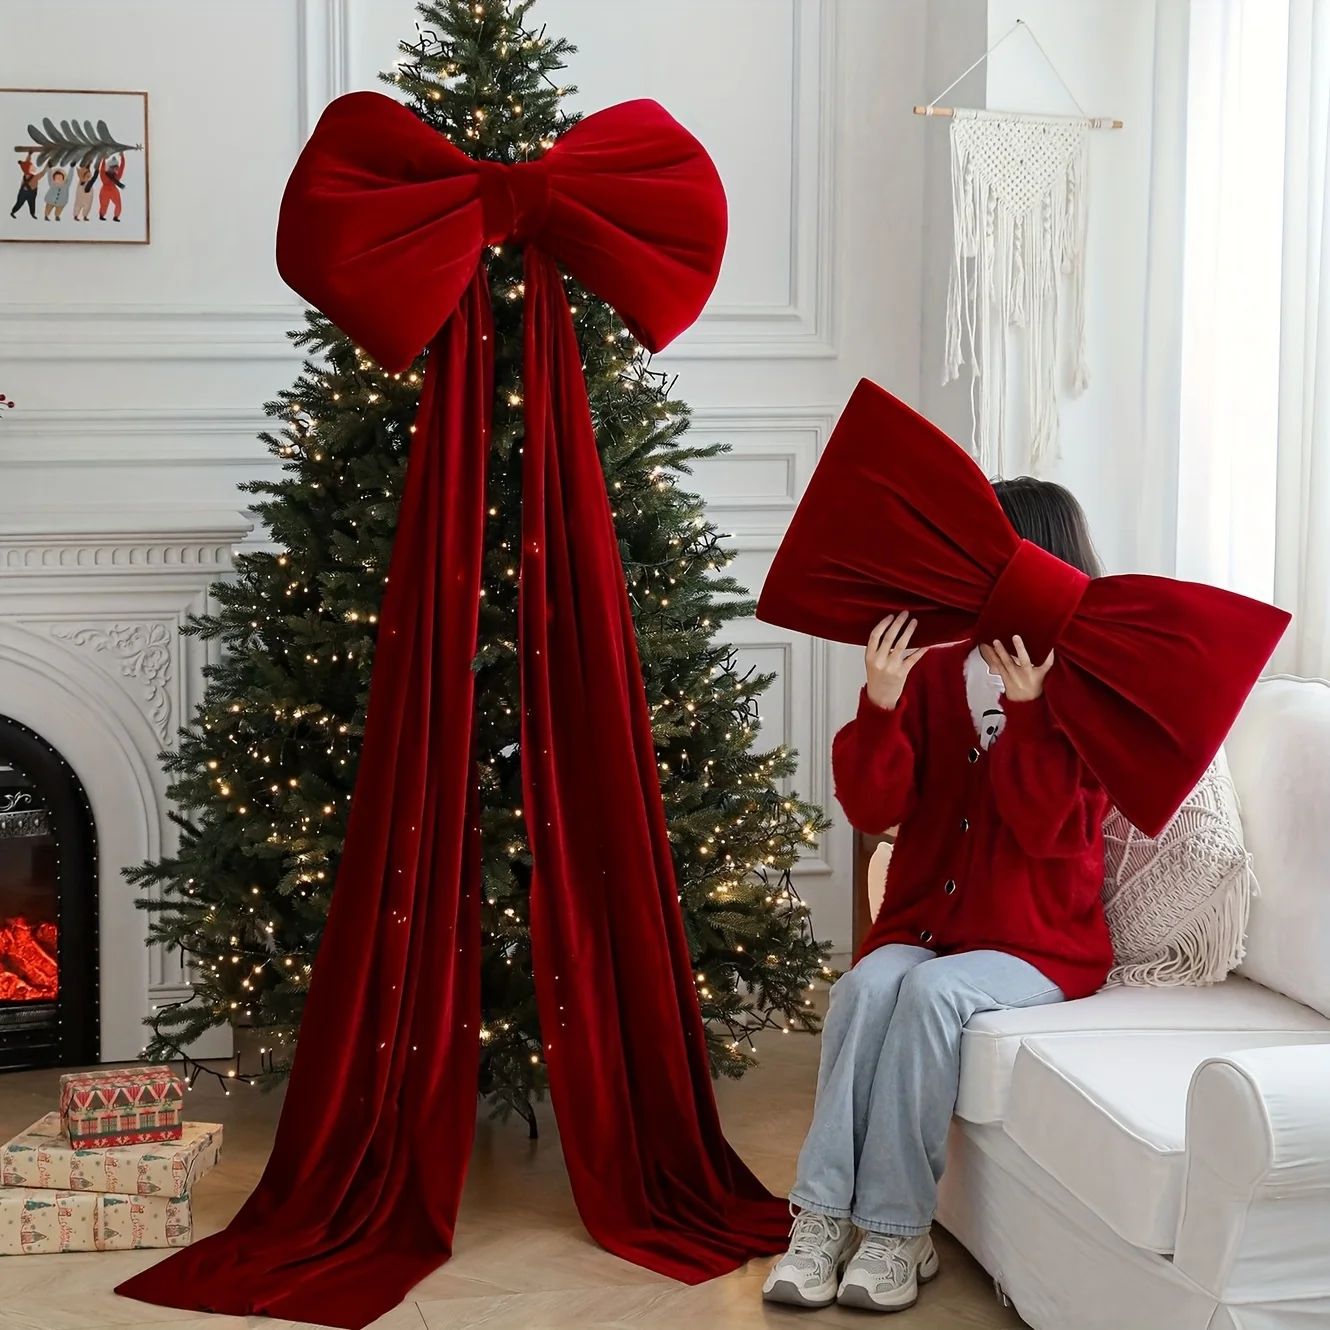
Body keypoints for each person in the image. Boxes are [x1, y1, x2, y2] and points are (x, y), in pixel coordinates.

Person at [763, 477, 1113, 1313]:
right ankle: (817, 1220)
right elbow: (873, 809)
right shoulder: (936, 668)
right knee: (869, 983)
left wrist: (1030, 713)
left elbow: (1051, 833)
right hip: (926, 922)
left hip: (1039, 944)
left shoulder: (1090, 687)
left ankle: (895, 1232)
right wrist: (880, 703)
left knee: (929, 991)